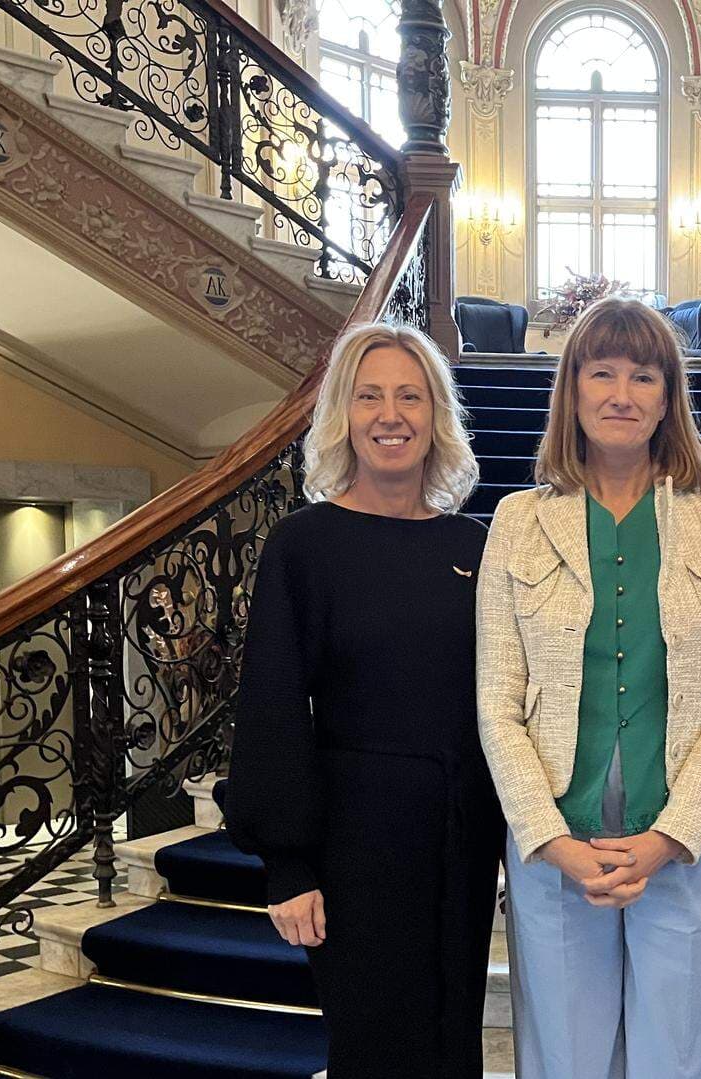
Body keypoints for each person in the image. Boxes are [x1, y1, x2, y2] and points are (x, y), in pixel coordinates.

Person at [475, 298, 701, 1079]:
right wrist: (548, 837)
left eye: (643, 375)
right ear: (572, 389)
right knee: (564, 1060)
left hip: (682, 843)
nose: (621, 393)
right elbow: (498, 702)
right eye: (601, 372)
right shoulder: (517, 521)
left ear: (669, 396)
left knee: (681, 1060)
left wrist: (670, 835)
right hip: (556, 843)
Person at [224, 323, 502, 1078]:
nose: (391, 414)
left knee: (453, 1043)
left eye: (410, 396)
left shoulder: (473, 546)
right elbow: (274, 703)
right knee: (376, 1048)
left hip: (460, 836)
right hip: (356, 847)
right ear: (342, 415)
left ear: (436, 414)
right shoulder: (303, 545)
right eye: (369, 395)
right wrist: (288, 864)